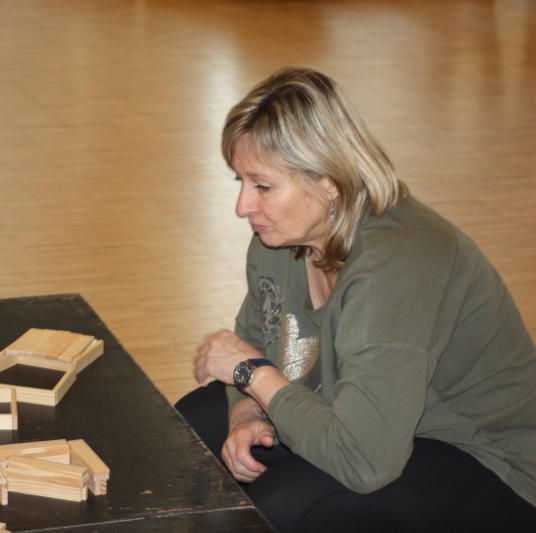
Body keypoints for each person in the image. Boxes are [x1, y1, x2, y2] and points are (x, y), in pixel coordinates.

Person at [177, 67, 536, 532]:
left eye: (262, 186)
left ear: (328, 183)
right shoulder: (279, 240)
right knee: (186, 430)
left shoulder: (396, 267)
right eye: (240, 182)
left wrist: (252, 376)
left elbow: (366, 461)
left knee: (292, 508)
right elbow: (252, 342)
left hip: (486, 459)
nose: (243, 206)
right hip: (362, 419)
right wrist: (246, 410)